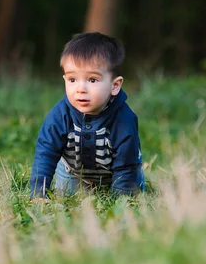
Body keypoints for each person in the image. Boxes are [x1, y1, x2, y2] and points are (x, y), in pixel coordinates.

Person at [29, 31, 146, 202]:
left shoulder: (123, 119)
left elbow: (125, 165)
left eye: (92, 80)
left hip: (118, 172)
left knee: (131, 190)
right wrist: (38, 192)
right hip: (73, 173)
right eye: (72, 79)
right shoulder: (60, 115)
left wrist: (121, 202)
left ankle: (126, 188)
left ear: (115, 86)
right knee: (67, 199)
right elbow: (46, 152)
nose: (80, 88)